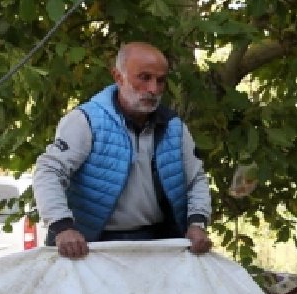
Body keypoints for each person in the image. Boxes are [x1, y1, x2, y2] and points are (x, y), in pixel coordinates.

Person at [33, 42, 212, 259]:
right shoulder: (86, 121)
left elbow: (196, 179)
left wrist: (197, 223)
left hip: (157, 244)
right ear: (118, 77)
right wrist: (62, 227)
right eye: (144, 78)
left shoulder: (173, 126)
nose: (153, 89)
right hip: (90, 246)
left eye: (161, 80)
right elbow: (48, 171)